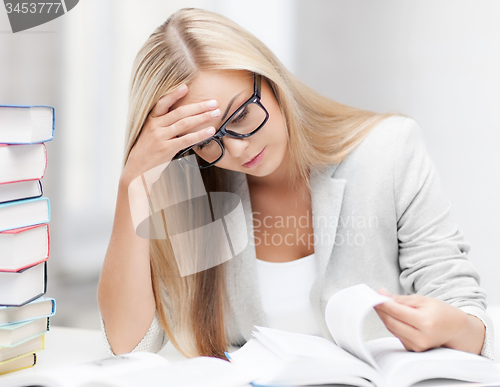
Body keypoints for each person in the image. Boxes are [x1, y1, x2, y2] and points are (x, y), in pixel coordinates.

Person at [97, 8, 493, 360]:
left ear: (270, 80)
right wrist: (133, 183)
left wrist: (453, 327)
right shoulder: (195, 189)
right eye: (206, 141)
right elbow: (129, 346)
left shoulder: (388, 151)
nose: (236, 148)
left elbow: (468, 315)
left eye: (240, 116)